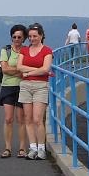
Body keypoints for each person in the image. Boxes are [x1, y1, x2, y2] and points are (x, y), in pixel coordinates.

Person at [17, 23, 53, 160]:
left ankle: (41, 148)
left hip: (40, 86)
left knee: (37, 119)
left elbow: (46, 69)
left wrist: (29, 72)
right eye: (30, 36)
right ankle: (33, 148)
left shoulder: (47, 51)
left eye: (35, 36)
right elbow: (19, 67)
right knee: (28, 118)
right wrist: (36, 70)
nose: (32, 39)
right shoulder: (24, 50)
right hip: (25, 86)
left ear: (41, 36)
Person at [0, 24, 28, 159]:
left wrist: (13, 70)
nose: (16, 39)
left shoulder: (27, 50)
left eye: (19, 37)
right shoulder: (6, 50)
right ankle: (7, 148)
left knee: (21, 119)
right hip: (8, 87)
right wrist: (20, 70)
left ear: (24, 38)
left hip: (23, 87)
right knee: (8, 118)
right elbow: (5, 69)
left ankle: (22, 148)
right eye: (14, 37)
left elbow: (28, 68)